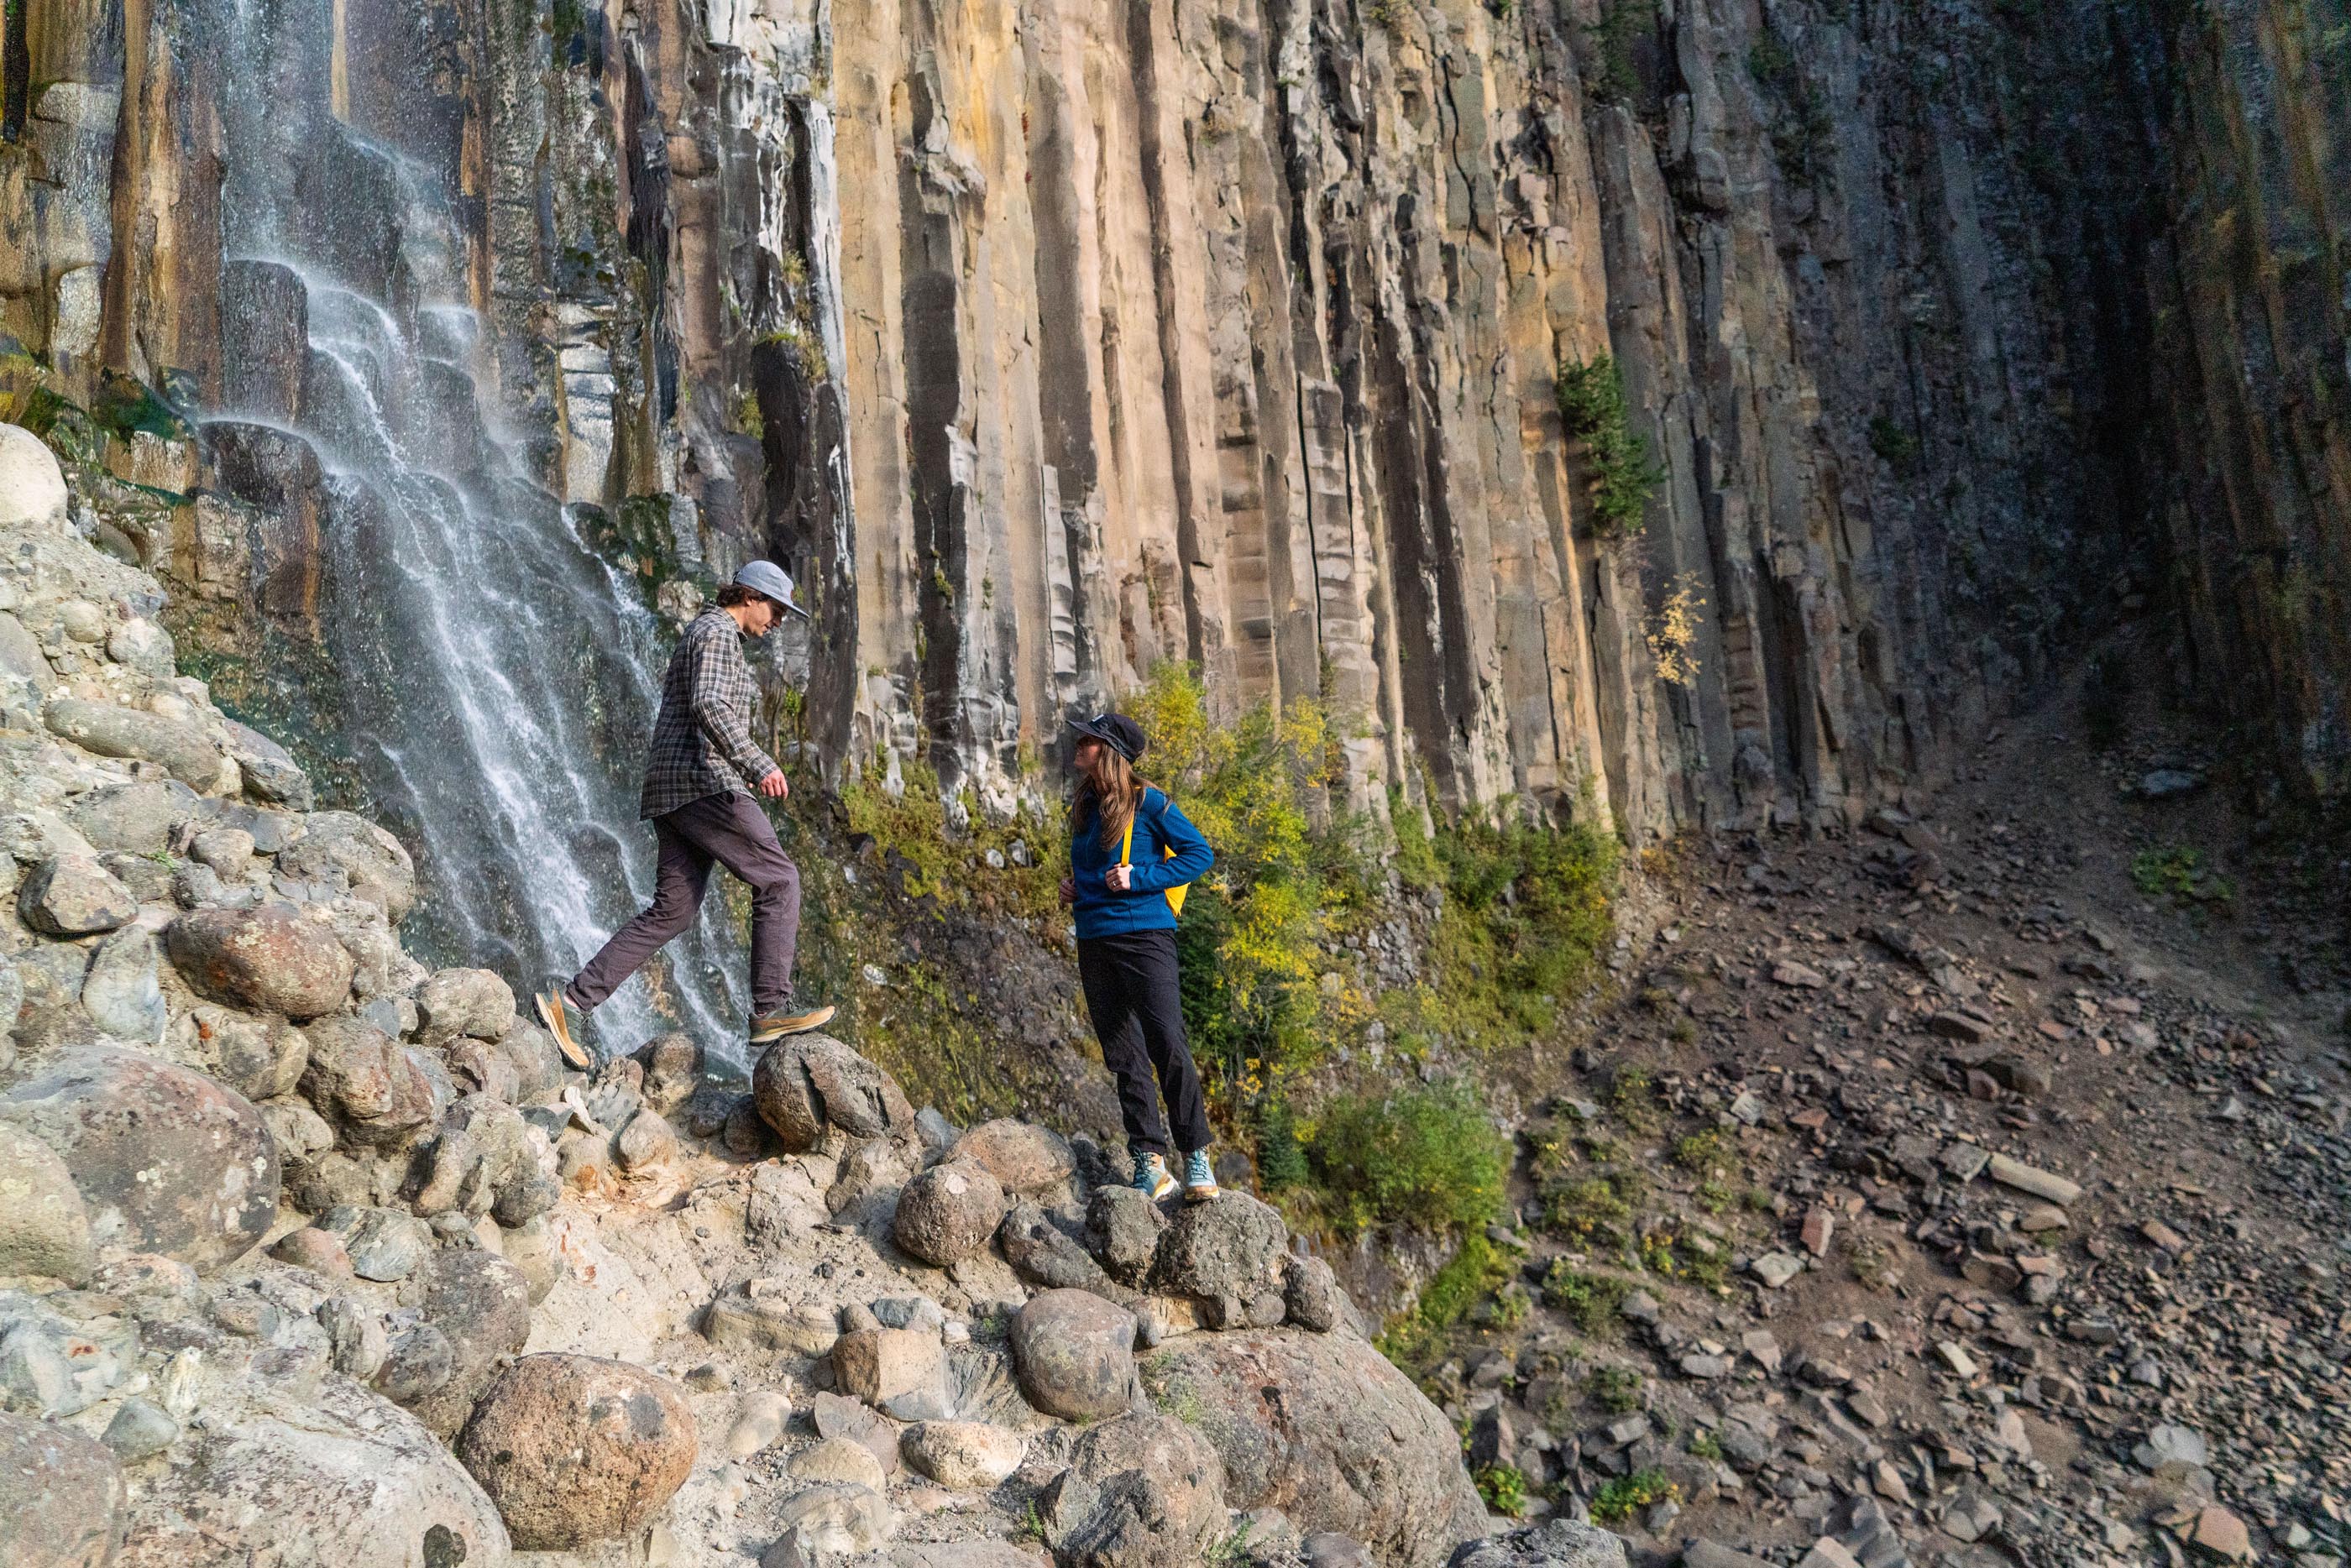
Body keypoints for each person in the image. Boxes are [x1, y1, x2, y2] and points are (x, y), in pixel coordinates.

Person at [535, 561, 835, 1066]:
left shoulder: (709, 633)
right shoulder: (717, 632)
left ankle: (569, 1002)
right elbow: (710, 705)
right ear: (750, 597)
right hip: (704, 783)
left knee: (672, 911)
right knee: (780, 880)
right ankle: (770, 1009)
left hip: (671, 792)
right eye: (777, 609)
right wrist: (757, 763)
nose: (779, 621)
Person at [1060, 712, 1219, 1201]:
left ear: (1107, 752)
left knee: (1167, 1043)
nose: (1077, 743)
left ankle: (1197, 1159)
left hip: (1145, 935)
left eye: (1087, 739)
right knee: (1123, 1054)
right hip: (1094, 936)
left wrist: (1141, 878)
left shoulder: (1149, 803)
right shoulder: (1085, 805)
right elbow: (1094, 871)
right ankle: (1148, 1163)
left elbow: (1200, 854)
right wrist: (1074, 888)